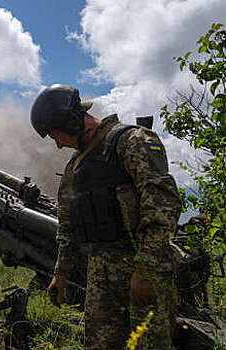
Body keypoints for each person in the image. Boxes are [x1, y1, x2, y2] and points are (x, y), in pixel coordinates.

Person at [30, 84, 182, 349]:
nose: (57, 144)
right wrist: (61, 273)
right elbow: (67, 226)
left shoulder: (130, 141)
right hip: (101, 276)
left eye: (57, 135)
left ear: (71, 121)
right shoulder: (75, 168)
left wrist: (146, 270)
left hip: (144, 267)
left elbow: (162, 203)